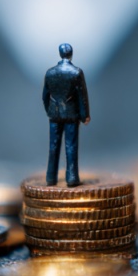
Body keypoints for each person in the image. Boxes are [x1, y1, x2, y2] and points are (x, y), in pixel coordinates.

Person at [42, 43, 90, 186]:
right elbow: (82, 97)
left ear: (60, 54)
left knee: (53, 146)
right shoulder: (76, 72)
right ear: (71, 54)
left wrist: (50, 111)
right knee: (71, 146)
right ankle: (72, 177)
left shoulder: (50, 73)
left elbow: (45, 96)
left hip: (54, 114)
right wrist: (84, 115)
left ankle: (51, 177)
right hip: (71, 115)